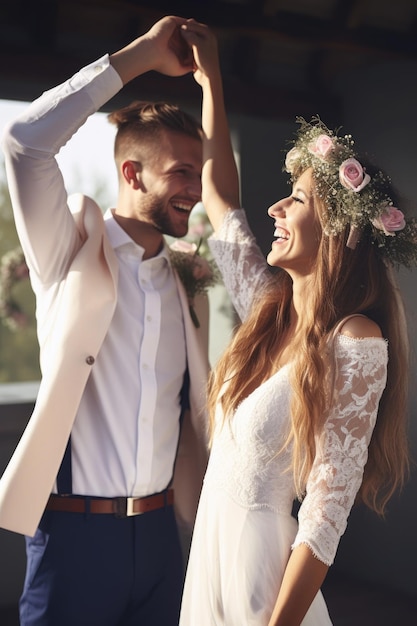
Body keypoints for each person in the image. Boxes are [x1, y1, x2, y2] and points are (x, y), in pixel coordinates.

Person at [178, 20, 416, 625]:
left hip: (266, 590)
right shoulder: (267, 309)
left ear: (338, 231)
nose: (275, 208)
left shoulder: (357, 342)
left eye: (298, 199)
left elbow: (326, 514)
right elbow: (219, 196)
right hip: (210, 565)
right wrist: (212, 83)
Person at [0, 16, 210, 626]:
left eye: (199, 174)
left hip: (162, 540)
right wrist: (139, 57)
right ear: (130, 173)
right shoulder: (68, 250)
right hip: (74, 539)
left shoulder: (186, 281)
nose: (195, 190)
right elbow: (24, 140)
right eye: (181, 173)